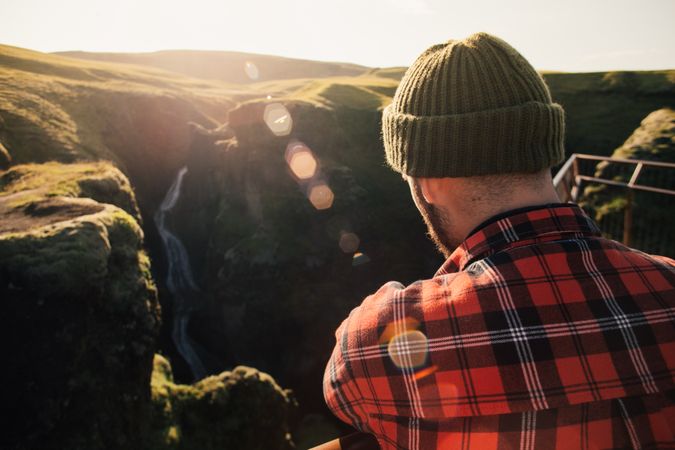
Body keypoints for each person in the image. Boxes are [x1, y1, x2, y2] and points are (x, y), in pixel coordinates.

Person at [322, 32, 675, 450]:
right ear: (545, 153)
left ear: (429, 183)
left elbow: (342, 389)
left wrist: (390, 303)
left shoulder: (381, 338)